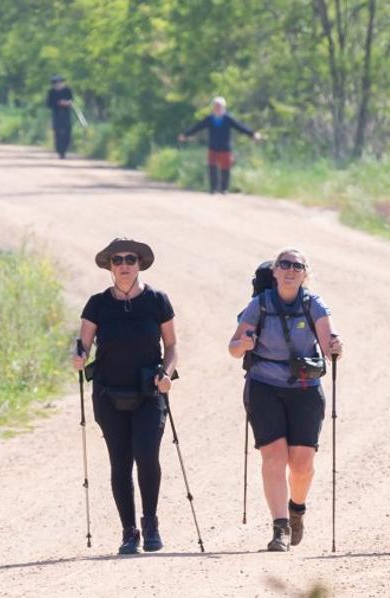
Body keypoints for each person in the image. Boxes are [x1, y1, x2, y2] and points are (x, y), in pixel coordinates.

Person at [228, 248, 342, 552]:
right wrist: (244, 343)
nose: (290, 270)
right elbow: (233, 348)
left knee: (302, 465)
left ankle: (296, 510)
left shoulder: (313, 304)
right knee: (274, 458)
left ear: (305, 274)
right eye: (284, 265)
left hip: (305, 388)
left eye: (297, 266)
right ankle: (279, 528)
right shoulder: (260, 304)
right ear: (275, 272)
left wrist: (335, 347)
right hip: (264, 386)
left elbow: (328, 343)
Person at [73, 238, 178, 555]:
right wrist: (78, 356)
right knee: (120, 463)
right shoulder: (97, 304)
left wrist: (167, 374)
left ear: (139, 263)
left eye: (130, 259)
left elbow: (171, 346)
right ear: (109, 266)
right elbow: (83, 344)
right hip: (108, 392)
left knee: (147, 456)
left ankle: (150, 523)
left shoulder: (158, 300)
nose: (124, 265)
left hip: (149, 391)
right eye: (117, 260)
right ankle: (129, 532)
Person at [178, 96, 261, 194]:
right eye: (216, 106)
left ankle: (224, 189)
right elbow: (198, 127)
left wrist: (252, 134)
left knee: (225, 168)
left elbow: (240, 127)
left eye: (220, 106)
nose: (217, 108)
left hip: (225, 147)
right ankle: (213, 188)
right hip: (213, 146)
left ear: (224, 107)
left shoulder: (228, 119)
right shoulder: (209, 119)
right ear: (213, 107)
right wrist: (185, 135)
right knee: (212, 167)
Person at [47, 75, 73, 159]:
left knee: (67, 131)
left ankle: (65, 149)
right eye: (56, 83)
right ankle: (59, 151)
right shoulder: (51, 92)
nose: (58, 84)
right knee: (57, 132)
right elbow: (48, 104)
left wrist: (67, 103)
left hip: (66, 114)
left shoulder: (67, 90)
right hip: (56, 114)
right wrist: (58, 103)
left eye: (59, 82)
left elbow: (71, 100)